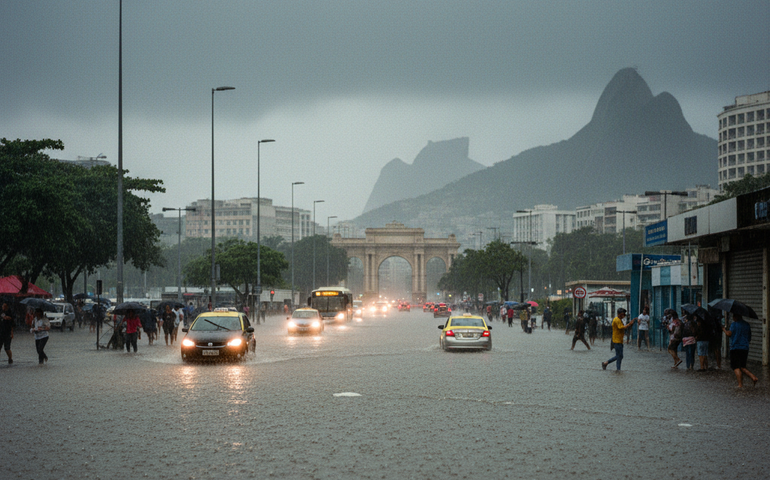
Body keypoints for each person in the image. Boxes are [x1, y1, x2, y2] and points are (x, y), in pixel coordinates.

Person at [722, 314, 759, 388]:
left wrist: (724, 329)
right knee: (742, 366)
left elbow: (729, 334)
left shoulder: (734, 324)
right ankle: (753, 377)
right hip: (745, 348)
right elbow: (749, 337)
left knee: (735, 367)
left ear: (736, 317)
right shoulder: (747, 324)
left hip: (735, 348)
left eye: (733, 316)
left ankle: (740, 385)